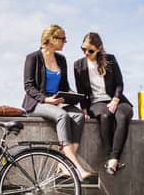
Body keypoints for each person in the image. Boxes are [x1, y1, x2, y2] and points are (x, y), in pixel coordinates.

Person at [23, 25, 95, 180]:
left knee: (78, 117)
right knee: (62, 116)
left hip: (57, 100)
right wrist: (46, 99)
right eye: (63, 38)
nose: (65, 42)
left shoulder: (61, 59)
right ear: (51, 39)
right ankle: (76, 168)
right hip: (37, 103)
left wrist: (70, 93)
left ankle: (63, 164)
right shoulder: (33, 58)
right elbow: (28, 86)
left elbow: (63, 85)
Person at [73, 32, 133, 175]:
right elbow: (80, 90)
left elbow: (119, 83)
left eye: (90, 50)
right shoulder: (78, 65)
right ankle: (109, 156)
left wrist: (115, 100)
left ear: (99, 48)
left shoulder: (110, 60)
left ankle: (113, 159)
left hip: (117, 99)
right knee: (105, 116)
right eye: (83, 49)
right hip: (96, 102)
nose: (86, 53)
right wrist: (84, 109)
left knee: (123, 117)